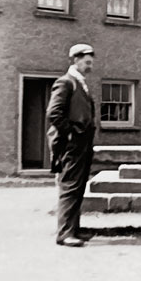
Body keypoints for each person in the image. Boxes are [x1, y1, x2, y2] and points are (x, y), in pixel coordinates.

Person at [46, 43, 97, 248]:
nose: (90, 66)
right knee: (69, 187)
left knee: (78, 187)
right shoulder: (66, 82)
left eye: (91, 62)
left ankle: (73, 229)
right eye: (86, 62)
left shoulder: (80, 82)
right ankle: (65, 233)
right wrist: (72, 133)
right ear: (75, 60)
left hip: (82, 144)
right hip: (72, 145)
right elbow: (54, 113)